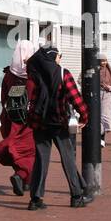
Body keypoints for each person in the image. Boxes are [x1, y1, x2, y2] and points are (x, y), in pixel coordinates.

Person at [25, 44, 90, 209]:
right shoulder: (63, 73)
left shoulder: (34, 73)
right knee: (68, 158)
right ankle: (76, 196)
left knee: (41, 160)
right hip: (58, 122)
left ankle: (36, 199)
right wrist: (84, 116)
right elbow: (75, 98)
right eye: (59, 56)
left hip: (39, 123)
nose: (60, 59)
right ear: (53, 57)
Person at [0, 39, 36, 195]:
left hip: (10, 118)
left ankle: (26, 182)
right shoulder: (33, 74)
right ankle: (21, 176)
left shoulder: (9, 74)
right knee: (30, 152)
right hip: (28, 120)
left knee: (16, 150)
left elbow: (4, 97)